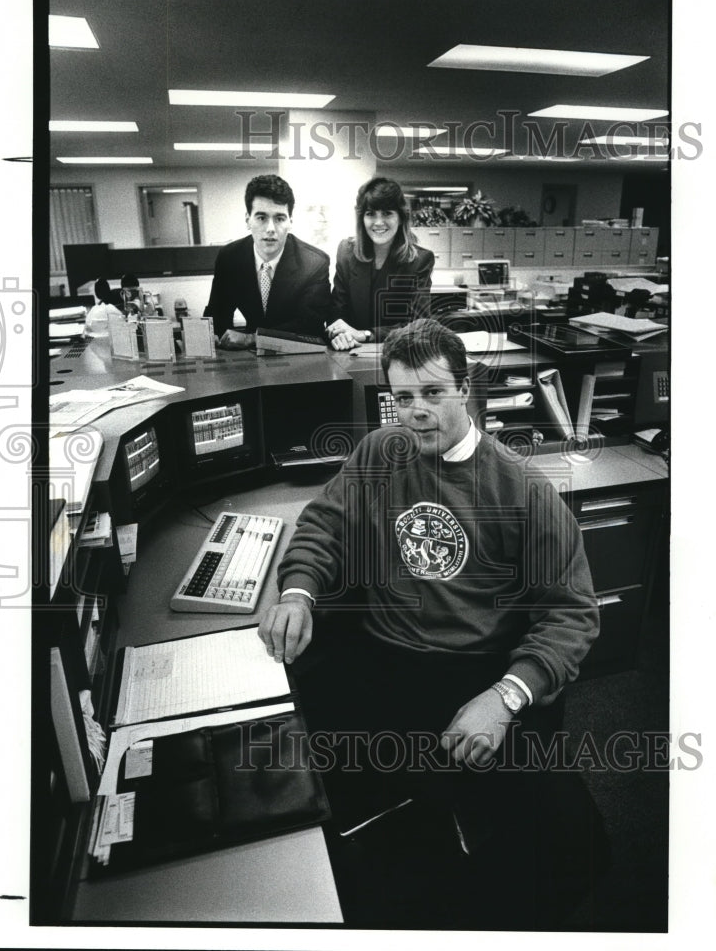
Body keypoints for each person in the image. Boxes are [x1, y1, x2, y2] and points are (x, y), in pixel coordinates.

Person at [258, 318, 600, 857]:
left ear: (465, 390)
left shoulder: (522, 489)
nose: (417, 411)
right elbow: (324, 524)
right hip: (384, 653)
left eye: (434, 393)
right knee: (287, 776)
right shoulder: (380, 452)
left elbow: (572, 614)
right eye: (403, 396)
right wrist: (298, 592)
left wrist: (506, 697)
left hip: (475, 667)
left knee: (559, 837)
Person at [203, 174, 332, 349]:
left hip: (298, 357)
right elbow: (217, 316)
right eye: (261, 218)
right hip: (249, 363)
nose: (271, 229)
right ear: (248, 220)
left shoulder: (314, 263)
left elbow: (310, 328)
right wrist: (212, 337)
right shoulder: (230, 258)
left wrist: (252, 339)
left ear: (290, 222)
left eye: (279, 218)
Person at [326, 177, 434, 351]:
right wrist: (340, 334)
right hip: (349, 354)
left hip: (399, 354)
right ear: (362, 218)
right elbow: (337, 312)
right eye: (370, 214)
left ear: (401, 218)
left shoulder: (419, 261)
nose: (378, 222)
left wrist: (366, 334)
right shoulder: (346, 252)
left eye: (387, 213)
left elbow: (419, 326)